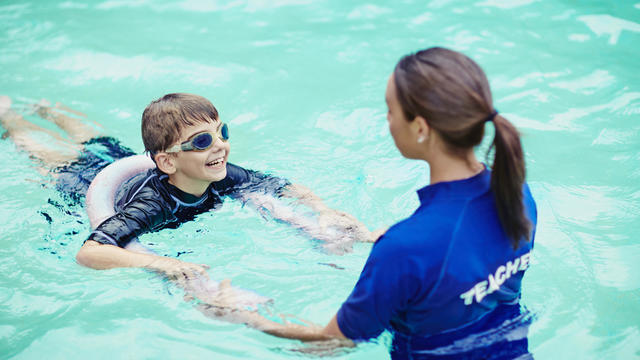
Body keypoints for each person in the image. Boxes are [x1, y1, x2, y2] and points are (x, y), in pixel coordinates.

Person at [228, 47, 538, 359]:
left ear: (420, 128)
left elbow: (332, 342)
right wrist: (373, 236)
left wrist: (238, 312)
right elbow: (462, 257)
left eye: (390, 110)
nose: (387, 120)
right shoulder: (517, 193)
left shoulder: (404, 248)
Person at [0, 94, 376, 283]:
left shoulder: (221, 173)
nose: (220, 146)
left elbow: (283, 187)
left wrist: (324, 210)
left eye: (221, 132)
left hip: (120, 163)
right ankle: (12, 118)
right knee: (48, 154)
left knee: (96, 139)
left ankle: (50, 108)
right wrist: (162, 263)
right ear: (167, 161)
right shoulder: (152, 204)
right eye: (201, 142)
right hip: (88, 184)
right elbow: (91, 252)